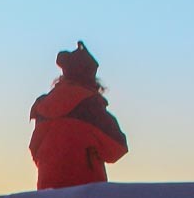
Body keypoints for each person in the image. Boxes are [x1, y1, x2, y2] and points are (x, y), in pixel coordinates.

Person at [29, 41, 128, 189]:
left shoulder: (44, 106)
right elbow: (118, 148)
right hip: (86, 194)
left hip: (48, 193)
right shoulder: (90, 107)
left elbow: (35, 150)